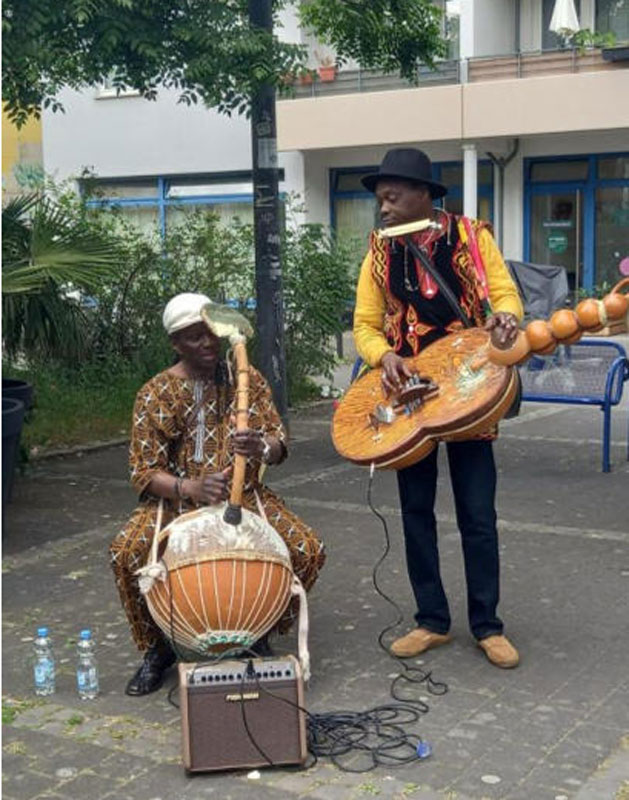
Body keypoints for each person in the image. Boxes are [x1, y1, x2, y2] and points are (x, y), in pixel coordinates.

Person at [353, 148, 524, 668]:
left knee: (478, 514)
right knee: (415, 513)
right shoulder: (379, 252)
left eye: (392, 197)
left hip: (470, 390)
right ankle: (431, 621)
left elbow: (505, 296)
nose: (384, 208)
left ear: (423, 193)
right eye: (381, 200)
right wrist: (384, 357)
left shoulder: (472, 237)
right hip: (411, 399)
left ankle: (488, 625)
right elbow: (365, 324)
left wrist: (505, 319)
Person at [110, 293, 326, 696]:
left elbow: (279, 444)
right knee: (127, 552)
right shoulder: (155, 392)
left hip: (244, 495)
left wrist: (262, 447)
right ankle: (159, 648)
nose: (208, 342)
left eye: (211, 333)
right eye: (194, 337)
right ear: (176, 343)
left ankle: (259, 629)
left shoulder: (247, 379)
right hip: (176, 499)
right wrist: (190, 487)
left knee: (307, 549)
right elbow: (143, 471)